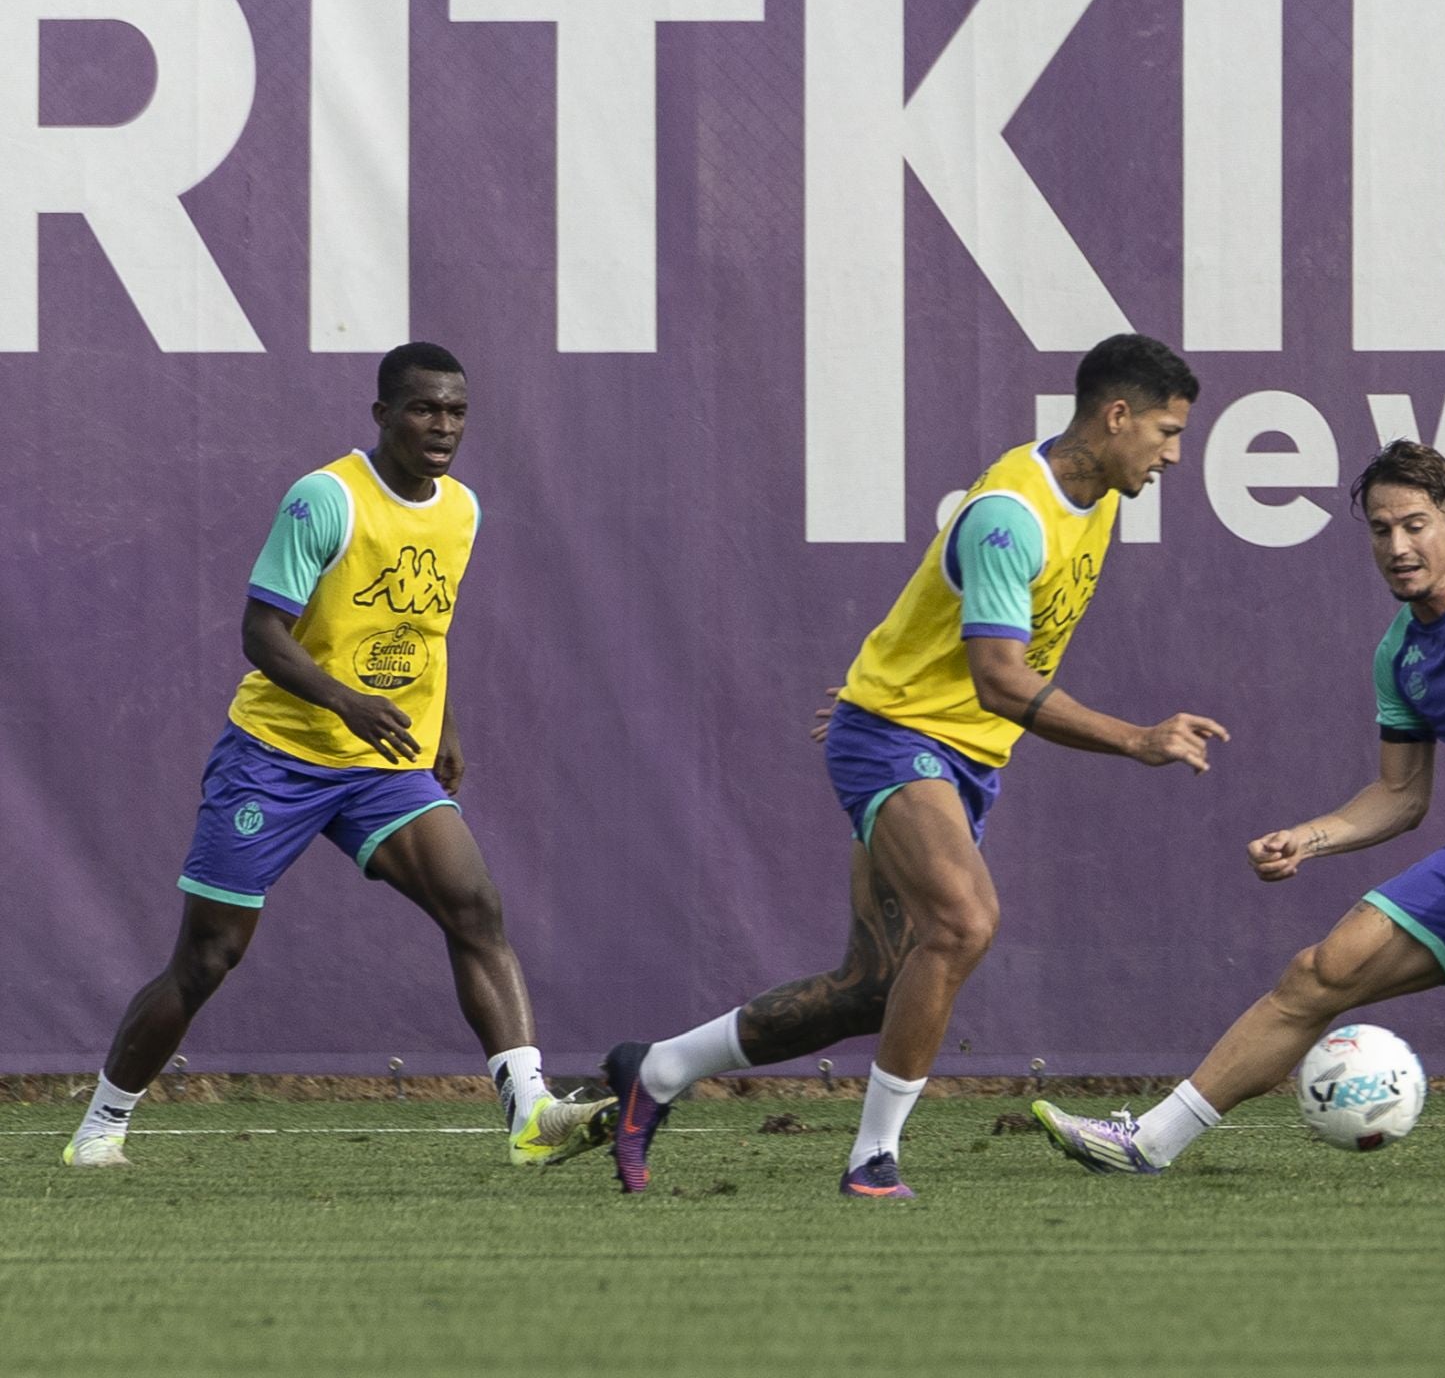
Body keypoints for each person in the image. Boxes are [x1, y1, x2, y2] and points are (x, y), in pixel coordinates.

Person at [602, 334, 1228, 1198]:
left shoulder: (1100, 496)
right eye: (1166, 430)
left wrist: (880, 682)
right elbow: (1003, 678)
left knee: (869, 989)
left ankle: (659, 1070)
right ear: (1116, 416)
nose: (1173, 454)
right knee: (966, 922)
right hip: (901, 746)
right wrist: (1138, 738)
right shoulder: (1012, 513)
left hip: (941, 746)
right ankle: (871, 1162)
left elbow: (938, 614)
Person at [1034, 439, 1445, 1177]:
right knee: (1321, 971)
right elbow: (1401, 796)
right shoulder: (1400, 658)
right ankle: (1149, 1143)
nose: (1398, 545)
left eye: (1415, 524)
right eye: (1381, 530)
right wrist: (1308, 838)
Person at [64, 343, 610, 1169]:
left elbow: (423, 631)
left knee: (474, 906)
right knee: (209, 956)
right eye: (425, 408)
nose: (443, 426)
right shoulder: (326, 499)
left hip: (384, 765)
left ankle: (530, 1115)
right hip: (277, 754)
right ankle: (101, 1127)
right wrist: (349, 701)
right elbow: (260, 633)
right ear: (383, 414)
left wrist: (444, 727)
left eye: (456, 411)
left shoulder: (461, 510)